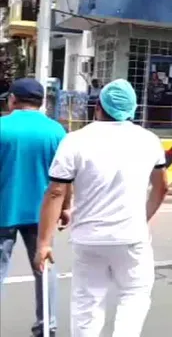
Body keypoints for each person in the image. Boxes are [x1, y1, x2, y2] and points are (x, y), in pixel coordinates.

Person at [34, 79, 169, 336]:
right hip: (131, 238)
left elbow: (56, 191)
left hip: (88, 239)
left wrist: (43, 243)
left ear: (98, 106)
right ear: (132, 110)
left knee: (87, 304)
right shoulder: (149, 140)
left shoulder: (75, 140)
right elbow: (162, 187)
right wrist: (144, 217)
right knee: (134, 296)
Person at [0, 78, 66, 337]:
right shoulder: (56, 132)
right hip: (42, 215)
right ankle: (46, 327)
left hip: (3, 212)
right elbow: (64, 179)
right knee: (44, 267)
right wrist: (66, 207)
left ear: (13, 100)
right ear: (41, 103)